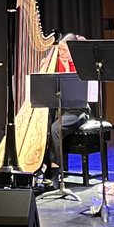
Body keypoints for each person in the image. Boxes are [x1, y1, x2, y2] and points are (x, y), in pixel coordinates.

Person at [39, 34, 90, 189]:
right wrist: (44, 67)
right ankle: (41, 169)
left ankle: (55, 172)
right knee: (43, 127)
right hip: (59, 109)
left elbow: (77, 92)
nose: (61, 53)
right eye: (59, 49)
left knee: (55, 128)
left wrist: (67, 69)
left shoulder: (81, 65)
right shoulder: (55, 62)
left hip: (78, 110)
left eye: (64, 50)